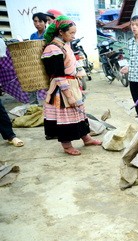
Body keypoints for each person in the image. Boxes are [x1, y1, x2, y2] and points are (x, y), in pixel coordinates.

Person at [41, 15, 101, 155]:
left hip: (72, 85)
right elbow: (58, 75)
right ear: (61, 32)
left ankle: (86, 138)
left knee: (79, 114)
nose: (74, 36)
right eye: (71, 33)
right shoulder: (53, 48)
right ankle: (67, 146)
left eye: (74, 33)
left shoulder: (65, 44)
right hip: (61, 89)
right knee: (65, 117)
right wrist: (69, 96)